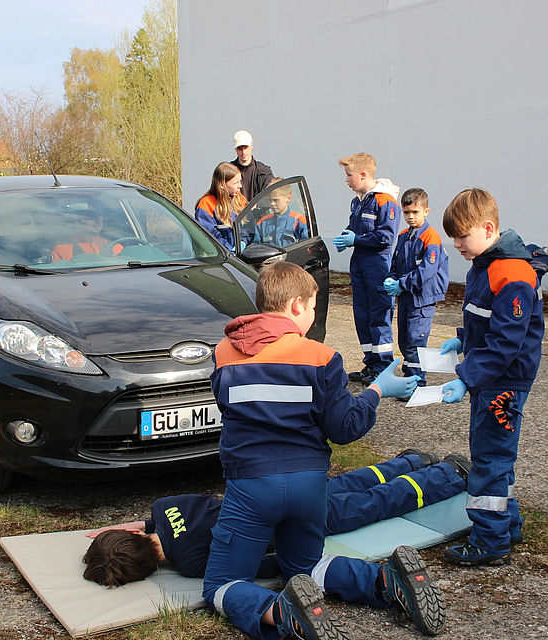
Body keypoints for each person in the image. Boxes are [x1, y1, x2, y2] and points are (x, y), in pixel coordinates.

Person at [201, 261, 440, 640]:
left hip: (250, 486)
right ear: (297, 305)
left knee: (220, 586)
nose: (313, 316)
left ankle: (281, 610)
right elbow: (344, 429)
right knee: (305, 566)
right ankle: (385, 580)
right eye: (313, 306)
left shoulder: (224, 353)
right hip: (309, 486)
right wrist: (376, 392)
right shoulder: (321, 357)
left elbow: (228, 408)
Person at [82, 452, 470, 584]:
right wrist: (147, 525)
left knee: (375, 504)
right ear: (125, 531)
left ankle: (449, 476)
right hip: (279, 489)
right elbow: (196, 508)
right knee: (351, 482)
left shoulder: (188, 564)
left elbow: (258, 564)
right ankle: (412, 460)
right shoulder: (163, 507)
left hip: (288, 521)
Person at [437, 188, 544, 567]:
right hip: (494, 377)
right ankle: (505, 524)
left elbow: (505, 344)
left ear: (487, 228)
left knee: (490, 456)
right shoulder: (486, 263)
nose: (456, 244)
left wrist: (466, 377)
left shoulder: (510, 272)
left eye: (462, 236)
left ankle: (490, 540)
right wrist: (463, 340)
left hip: (503, 381)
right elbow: (484, 320)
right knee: (496, 453)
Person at [333, 153, 401, 386]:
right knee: (362, 316)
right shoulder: (358, 201)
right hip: (360, 265)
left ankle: (383, 367)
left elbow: (386, 236)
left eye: (349, 175)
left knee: (378, 316)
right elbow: (355, 228)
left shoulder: (385, 201)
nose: (346, 180)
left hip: (378, 266)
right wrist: (346, 237)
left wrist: (356, 240)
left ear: (363, 175)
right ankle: (371, 363)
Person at [382, 188, 450, 392]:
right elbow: (396, 262)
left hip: (422, 299)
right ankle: (409, 377)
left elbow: (427, 271)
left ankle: (417, 382)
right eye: (407, 212)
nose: (410, 217)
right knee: (404, 340)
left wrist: (401, 284)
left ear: (426, 211)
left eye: (415, 212)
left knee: (416, 341)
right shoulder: (404, 236)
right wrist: (391, 278)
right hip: (406, 296)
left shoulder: (431, 238)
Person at [196, 162, 248, 251]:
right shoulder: (206, 204)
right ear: (222, 185)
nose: (240, 186)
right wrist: (228, 250)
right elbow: (209, 235)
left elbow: (249, 228)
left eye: (240, 181)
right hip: (220, 255)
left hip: (242, 254)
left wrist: (243, 242)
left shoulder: (241, 200)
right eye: (236, 183)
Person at [251, 180, 309, 247]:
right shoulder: (262, 223)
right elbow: (255, 248)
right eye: (270, 200)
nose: (272, 204)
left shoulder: (299, 221)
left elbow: (306, 247)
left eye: (276, 200)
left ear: (288, 198)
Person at [232, 129, 274, 201]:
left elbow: (271, 195)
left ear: (252, 145)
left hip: (260, 212)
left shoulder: (264, 171)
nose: (243, 152)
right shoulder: (228, 172)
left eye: (246, 147)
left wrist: (257, 206)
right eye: (240, 149)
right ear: (235, 149)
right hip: (234, 212)